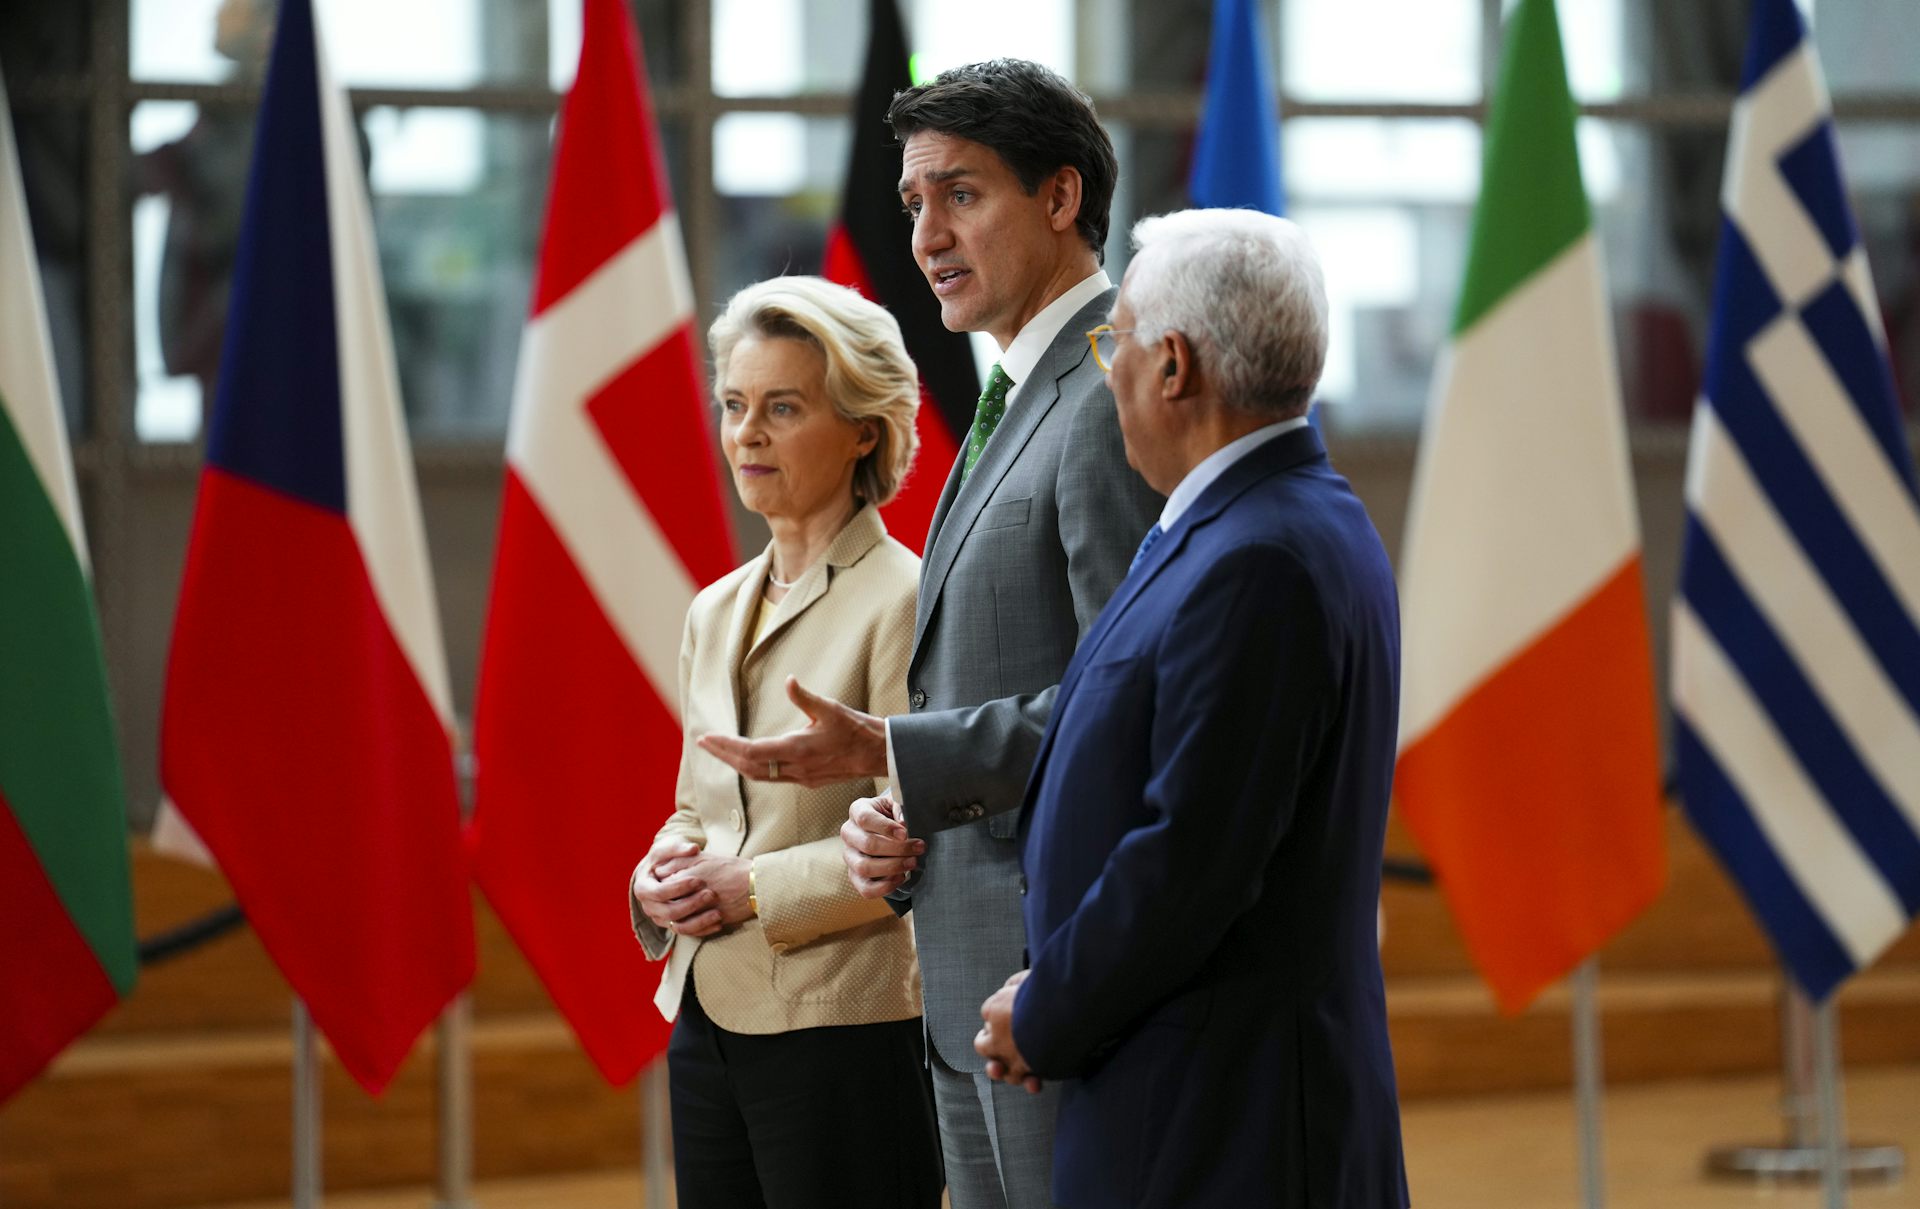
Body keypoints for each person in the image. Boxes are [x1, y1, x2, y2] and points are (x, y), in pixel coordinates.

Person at [696, 59, 1163, 1209]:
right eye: (913, 204)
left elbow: (1130, 700)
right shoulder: (1017, 394)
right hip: (962, 983)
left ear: (1060, 196)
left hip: (1050, 979)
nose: (926, 237)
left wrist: (900, 753)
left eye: (960, 194)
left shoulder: (1107, 398)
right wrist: (896, 814)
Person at [974, 210, 1410, 1208]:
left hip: (1221, 1126)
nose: (1108, 373)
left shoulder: (1260, 554)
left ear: (1173, 365)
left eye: (1114, 342)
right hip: (1192, 1100)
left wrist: (1048, 1010)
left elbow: (1194, 858)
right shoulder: (1246, 524)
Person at [626, 276, 941, 1209]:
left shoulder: (908, 597)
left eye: (783, 407)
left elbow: (917, 835)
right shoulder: (713, 608)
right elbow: (697, 809)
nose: (747, 434)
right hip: (707, 1013)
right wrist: (655, 877)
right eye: (734, 405)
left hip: (845, 1024)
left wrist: (753, 886)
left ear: (863, 431)